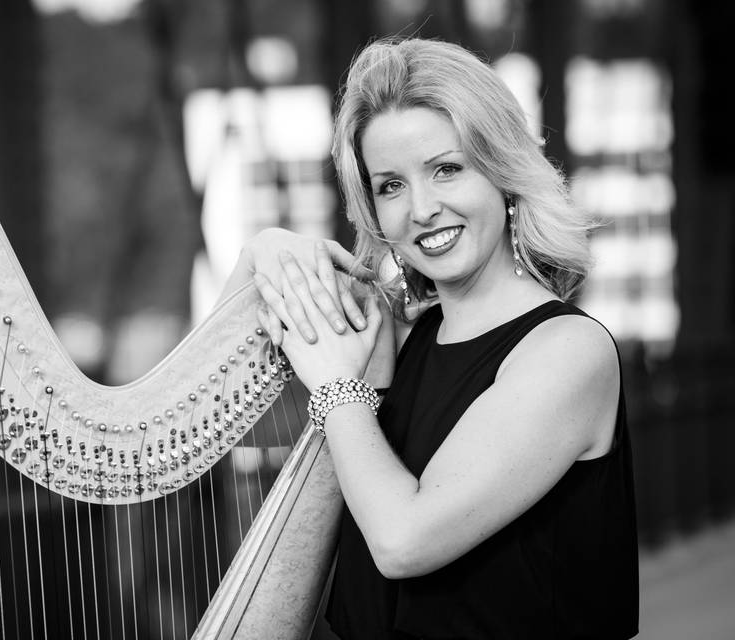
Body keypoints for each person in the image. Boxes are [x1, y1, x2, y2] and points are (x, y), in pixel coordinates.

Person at [223, 37, 638, 639]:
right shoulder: (397, 334)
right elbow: (220, 383)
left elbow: (403, 541)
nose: (421, 209)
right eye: (390, 185)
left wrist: (339, 389)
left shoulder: (568, 352)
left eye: (447, 169)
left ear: (502, 171)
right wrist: (261, 249)